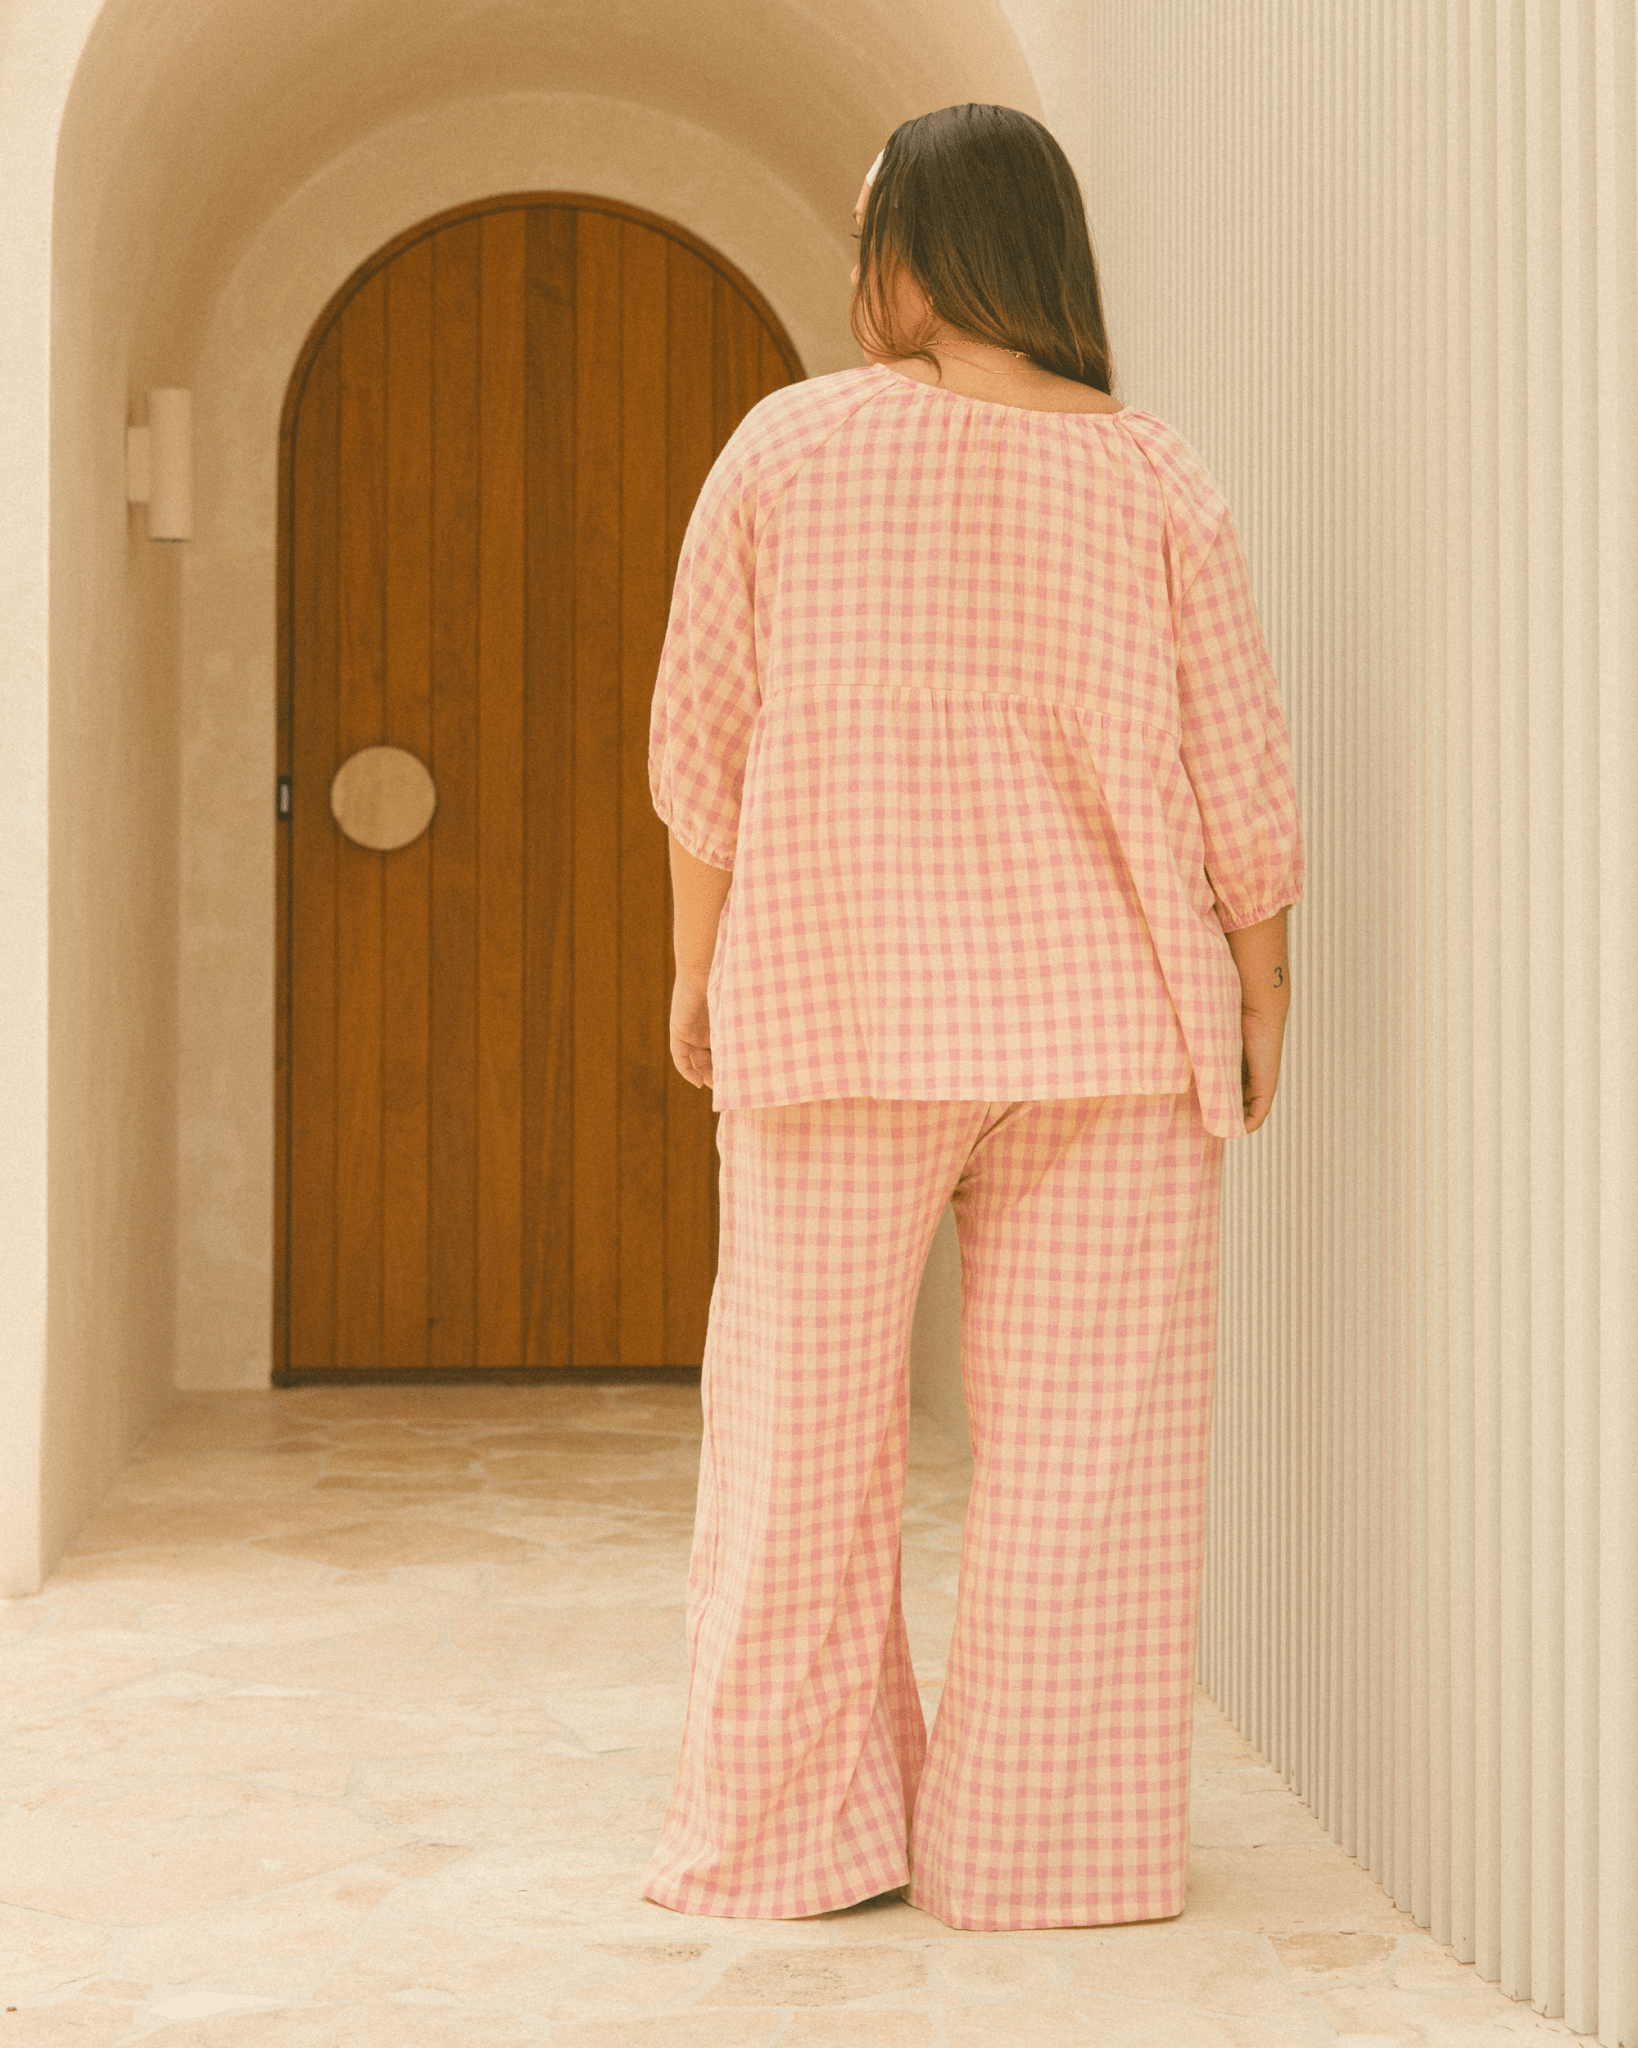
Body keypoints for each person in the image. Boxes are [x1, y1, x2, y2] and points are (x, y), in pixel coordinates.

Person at [640, 103, 1304, 1934]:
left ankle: (791, 1844)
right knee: (1089, 1468)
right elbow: (1238, 773)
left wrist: (698, 965)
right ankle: (1041, 1860)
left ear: (918, 253)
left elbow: (703, 744)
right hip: (1111, 1029)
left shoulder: (787, 446)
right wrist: (1258, 992)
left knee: (796, 1449)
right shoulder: (1154, 473)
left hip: (834, 1010)